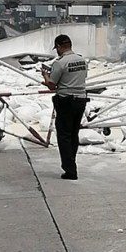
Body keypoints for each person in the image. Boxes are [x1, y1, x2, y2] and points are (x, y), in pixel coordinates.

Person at [42, 34, 88, 180]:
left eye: (57, 48)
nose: (57, 51)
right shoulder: (82, 60)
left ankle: (70, 170)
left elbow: (52, 85)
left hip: (66, 101)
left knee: (64, 136)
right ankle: (72, 163)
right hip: (81, 100)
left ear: (60, 47)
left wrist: (45, 76)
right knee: (74, 135)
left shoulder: (59, 63)